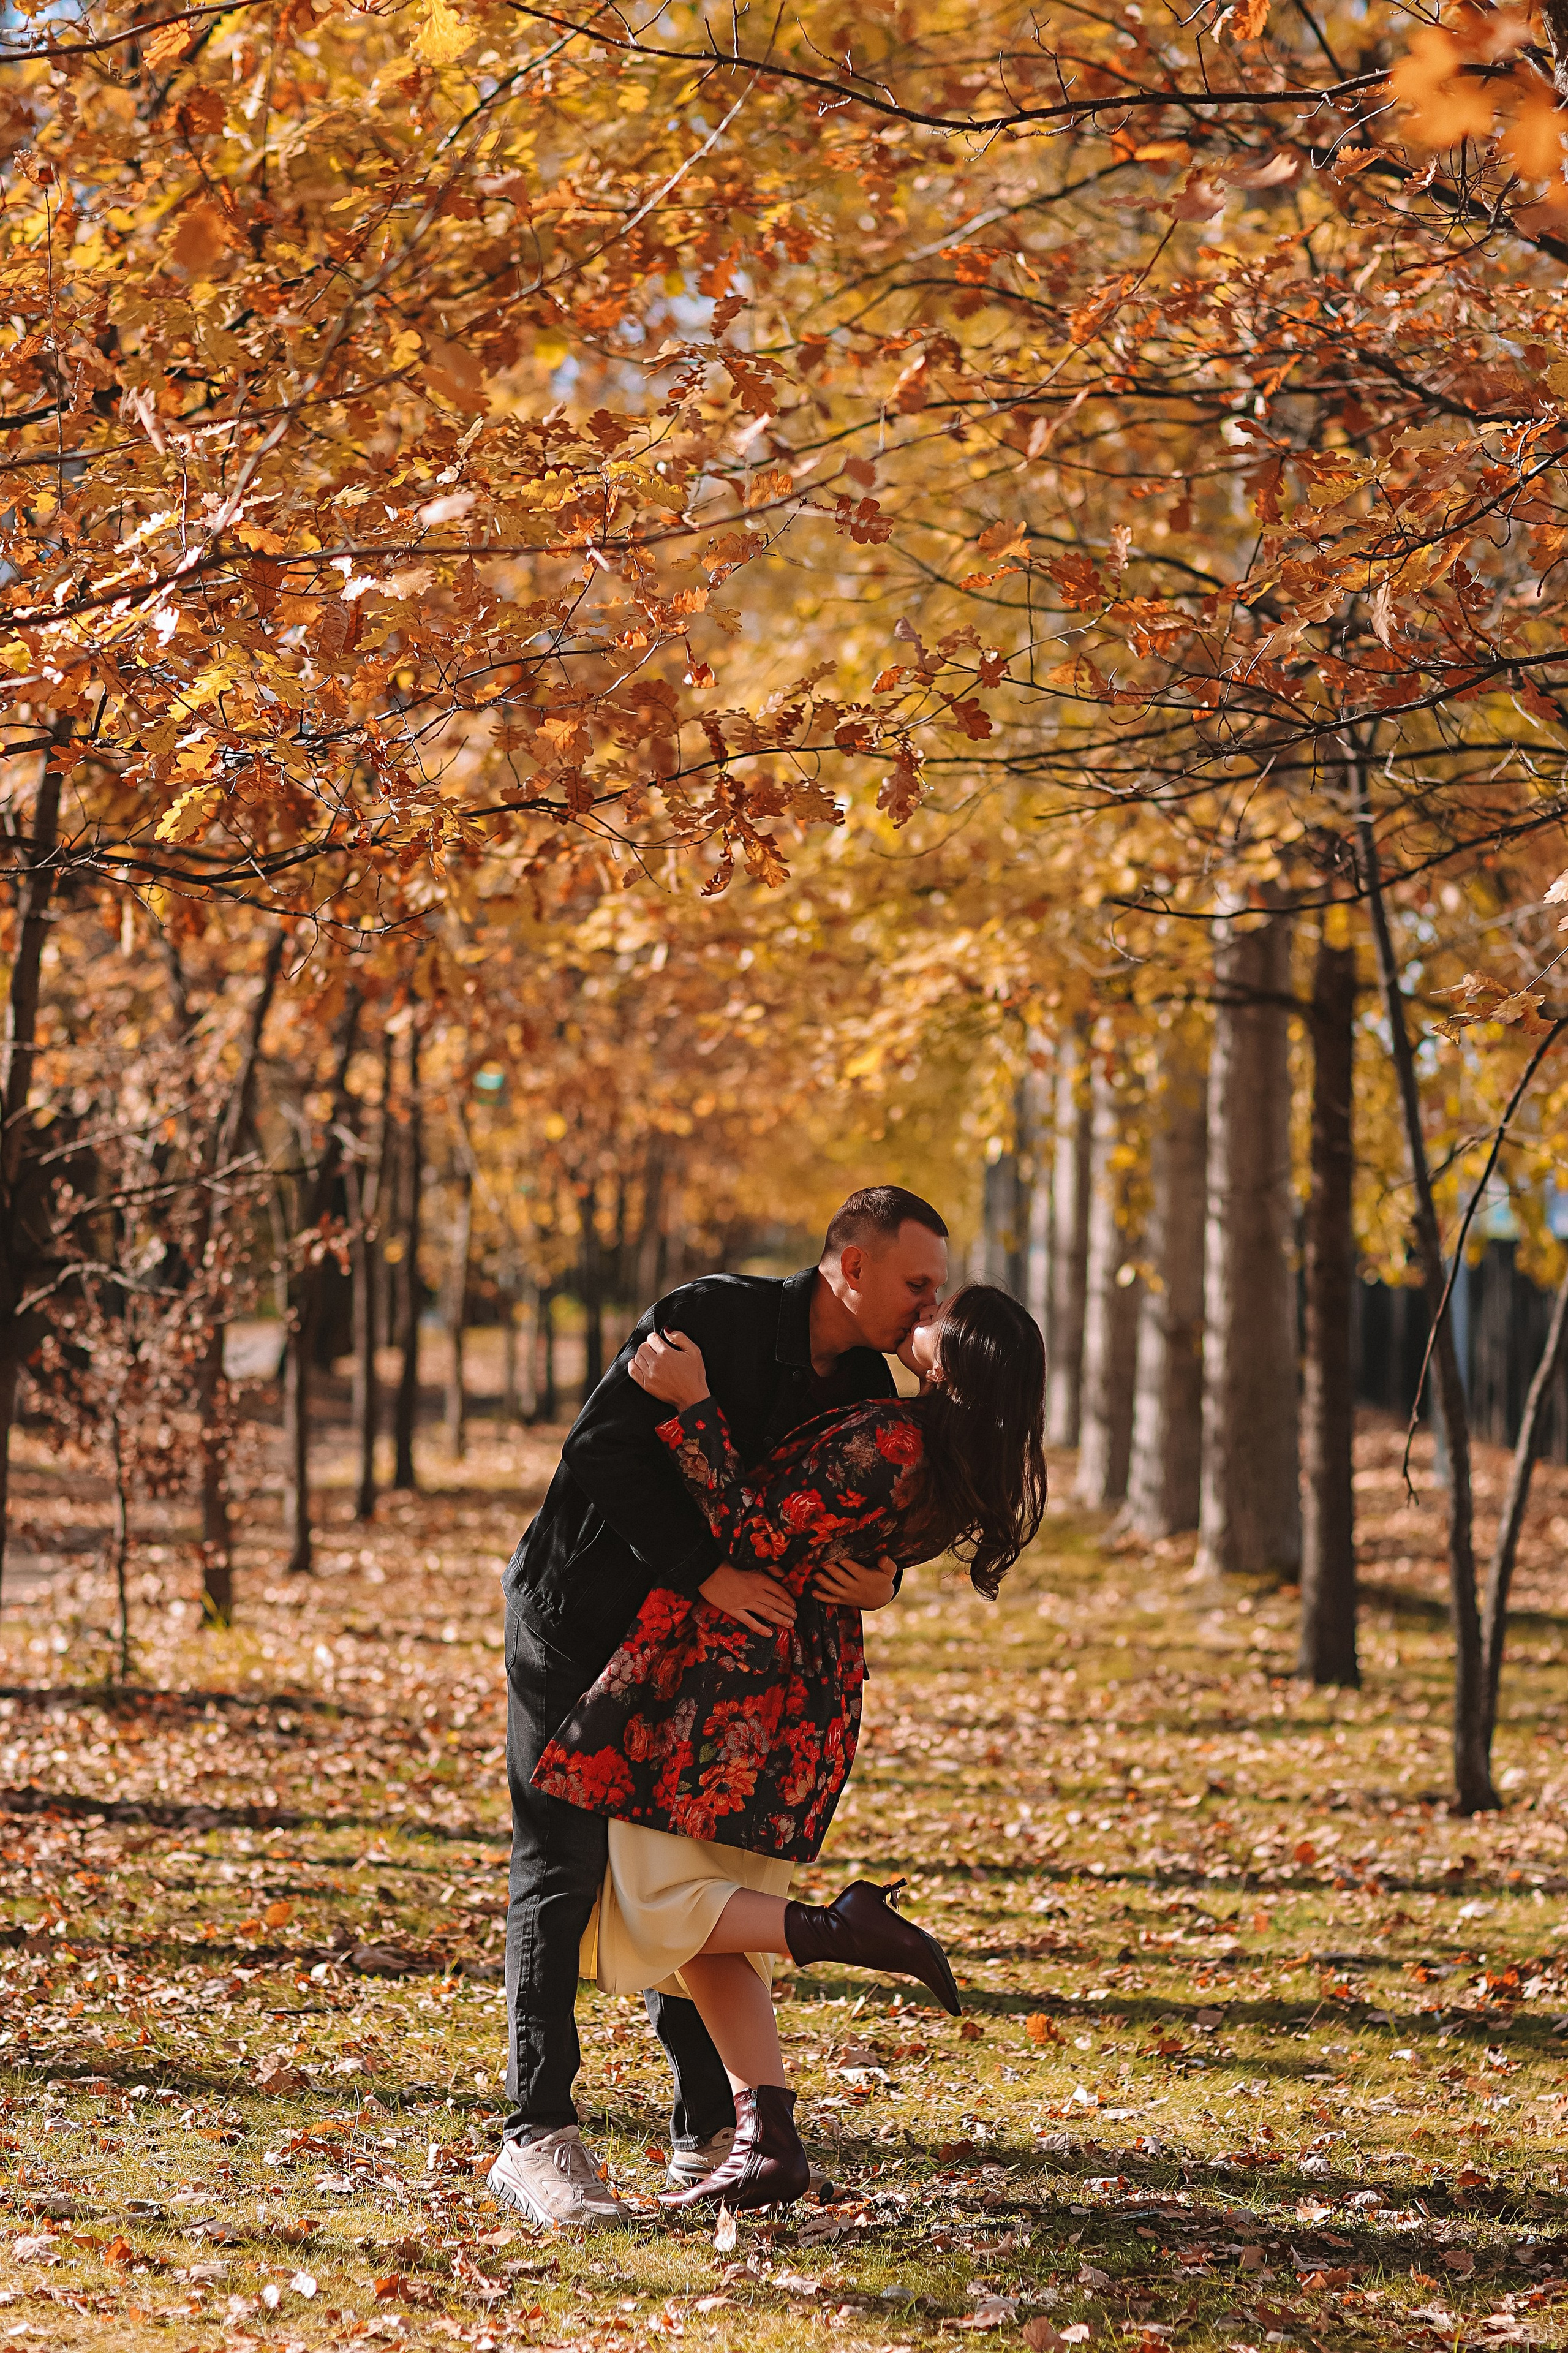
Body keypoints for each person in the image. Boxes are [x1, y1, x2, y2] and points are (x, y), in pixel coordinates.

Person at [488, 1185, 950, 2229]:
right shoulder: (714, 1315)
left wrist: (884, 1578)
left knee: (680, 1875)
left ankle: (708, 2131)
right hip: (581, 1618)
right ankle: (536, 2134)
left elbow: (830, 1517)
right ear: (851, 1263)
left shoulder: (868, 1383)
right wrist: (706, 1571)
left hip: (682, 1665)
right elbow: (601, 1451)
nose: (929, 1304)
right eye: (917, 1282)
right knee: (562, 1863)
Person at [533, 1282, 1048, 2212]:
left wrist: (694, 1404)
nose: (917, 1311)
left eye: (938, 1312)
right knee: (708, 1929)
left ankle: (838, 1926)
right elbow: (851, 1550)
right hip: (803, 1689)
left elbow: (752, 1527)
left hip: (730, 1683)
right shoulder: (957, 1460)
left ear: (955, 1357)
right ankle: (768, 2138)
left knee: (659, 1901)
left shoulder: (895, 1435)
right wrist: (881, 1584)